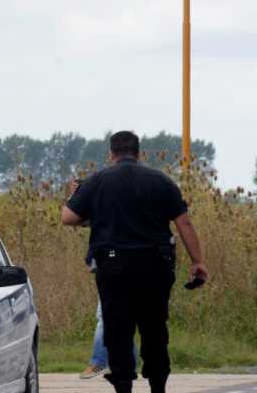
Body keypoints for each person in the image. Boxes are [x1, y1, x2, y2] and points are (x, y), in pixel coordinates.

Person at [61, 131, 209, 393]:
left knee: (117, 329)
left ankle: (123, 385)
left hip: (113, 269)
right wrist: (198, 262)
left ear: (111, 154)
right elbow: (183, 222)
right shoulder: (161, 181)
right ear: (139, 153)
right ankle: (158, 385)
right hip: (155, 267)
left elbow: (69, 218)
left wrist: (75, 195)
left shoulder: (97, 181)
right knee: (154, 328)